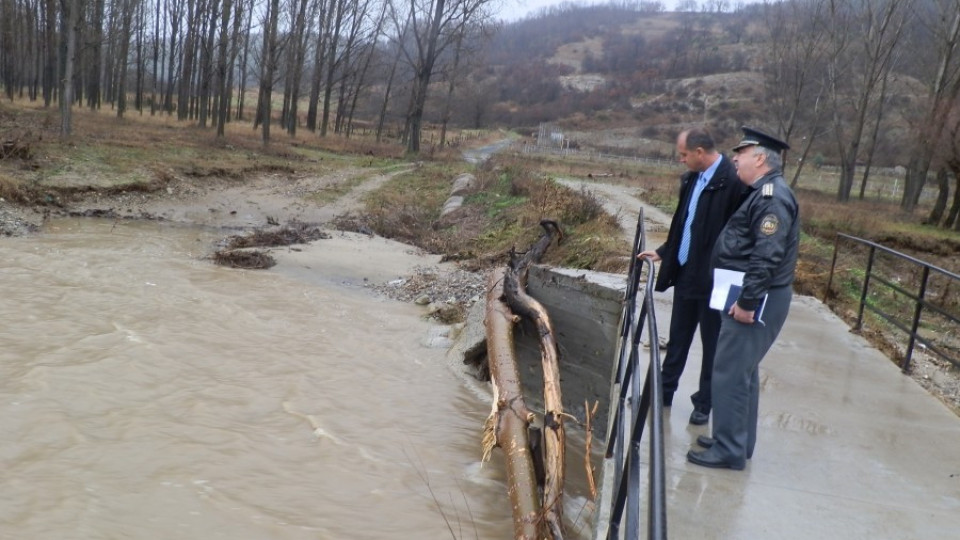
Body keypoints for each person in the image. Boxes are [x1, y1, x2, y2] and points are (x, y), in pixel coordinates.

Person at [686, 126, 800, 471]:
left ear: (760, 158)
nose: (735, 158)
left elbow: (767, 256)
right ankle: (734, 439)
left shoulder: (772, 198)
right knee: (743, 373)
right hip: (748, 293)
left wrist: (748, 303)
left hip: (755, 298)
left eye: (742, 153)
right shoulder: (763, 192)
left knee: (731, 373)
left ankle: (729, 449)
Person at [638, 127, 746, 425]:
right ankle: (665, 391)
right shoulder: (692, 179)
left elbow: (741, 234)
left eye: (684, 154)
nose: (681, 160)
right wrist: (664, 251)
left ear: (700, 152)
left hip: (715, 280)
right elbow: (685, 222)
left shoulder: (733, 182)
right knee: (678, 338)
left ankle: (704, 404)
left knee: (713, 345)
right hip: (687, 272)